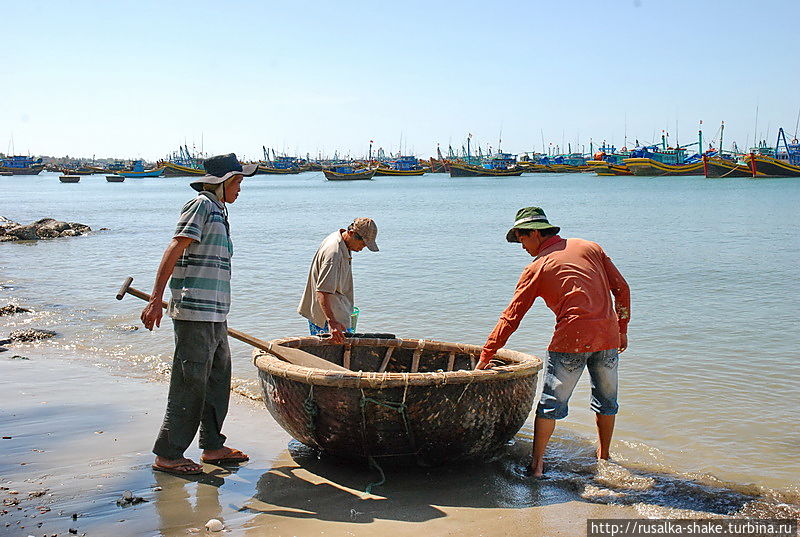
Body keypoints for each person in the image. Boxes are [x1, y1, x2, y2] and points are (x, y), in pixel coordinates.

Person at [476, 207, 630, 478]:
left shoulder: (537, 267)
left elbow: (512, 316)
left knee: (550, 404)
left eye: (522, 239)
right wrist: (622, 329)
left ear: (534, 233)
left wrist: (487, 354)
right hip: (607, 337)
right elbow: (622, 289)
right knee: (607, 401)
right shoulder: (590, 247)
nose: (522, 246)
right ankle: (604, 457)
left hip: (570, 340)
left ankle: (536, 467)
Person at [140, 153, 257, 475]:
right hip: (194, 310)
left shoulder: (219, 210)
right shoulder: (201, 204)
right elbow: (175, 247)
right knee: (189, 382)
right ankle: (169, 454)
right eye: (238, 182)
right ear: (223, 183)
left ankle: (213, 446)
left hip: (216, 312)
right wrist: (155, 299)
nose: (240, 189)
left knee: (218, 379)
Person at [298, 218, 379, 344]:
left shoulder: (340, 239)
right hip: (327, 321)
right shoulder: (334, 254)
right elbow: (322, 292)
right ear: (351, 234)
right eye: (363, 244)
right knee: (327, 358)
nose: (362, 248)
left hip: (335, 315)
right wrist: (332, 322)